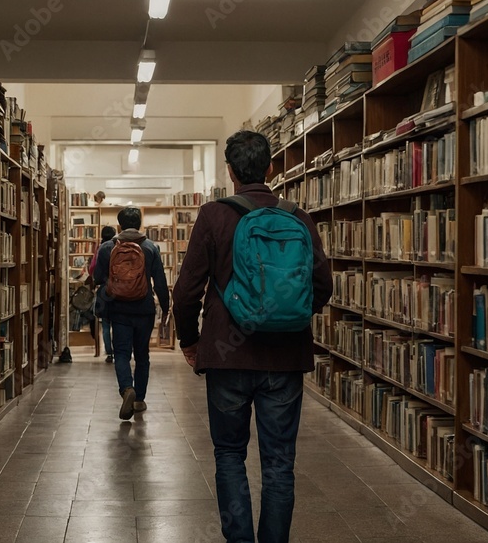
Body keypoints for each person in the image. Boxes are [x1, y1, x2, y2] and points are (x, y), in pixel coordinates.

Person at [172, 130, 332, 543]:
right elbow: (322, 285)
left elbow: (186, 291)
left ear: (230, 171)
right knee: (279, 462)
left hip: (227, 355)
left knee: (229, 454)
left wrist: (190, 341)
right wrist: (290, 317)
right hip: (285, 357)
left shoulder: (213, 215)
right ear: (271, 167)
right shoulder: (298, 216)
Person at [94, 207, 170, 420]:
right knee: (142, 355)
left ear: (119, 225)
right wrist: (166, 307)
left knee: (121, 353)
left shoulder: (107, 248)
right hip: (144, 309)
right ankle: (139, 400)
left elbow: (98, 278)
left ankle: (127, 389)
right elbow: (160, 281)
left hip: (118, 309)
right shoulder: (151, 247)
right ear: (140, 224)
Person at [88, 226, 117, 363]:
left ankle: (109, 353)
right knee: (117, 324)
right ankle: (119, 350)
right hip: (119, 290)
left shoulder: (101, 249)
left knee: (105, 324)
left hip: (105, 290)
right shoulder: (119, 247)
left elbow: (93, 270)